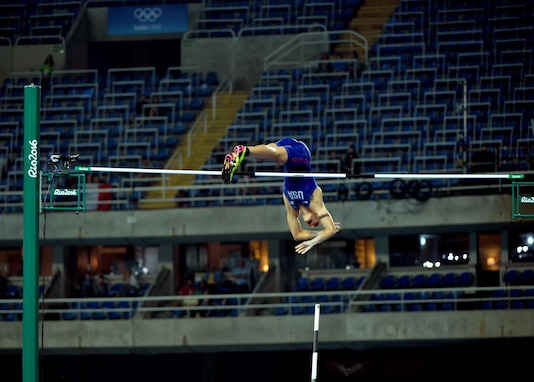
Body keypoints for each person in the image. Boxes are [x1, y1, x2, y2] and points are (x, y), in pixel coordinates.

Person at [222, 138, 341, 255]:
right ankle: (243, 151)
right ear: (316, 214)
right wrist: (315, 240)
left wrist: (318, 235)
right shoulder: (315, 200)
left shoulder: (291, 205)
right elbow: (331, 230)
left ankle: (238, 156)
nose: (314, 225)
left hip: (286, 151)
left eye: (314, 225)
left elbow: (297, 235)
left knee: (267, 154)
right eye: (318, 222)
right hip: (301, 156)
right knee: (276, 154)